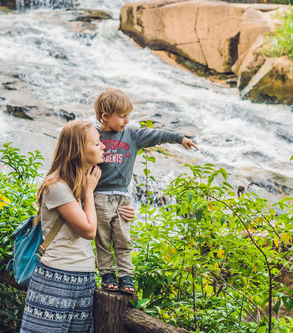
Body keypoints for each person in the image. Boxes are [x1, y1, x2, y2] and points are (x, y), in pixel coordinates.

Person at [20, 120, 135, 332]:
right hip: (55, 279)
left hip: (84, 279)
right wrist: (89, 191)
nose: (104, 146)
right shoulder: (57, 186)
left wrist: (125, 214)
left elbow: (102, 221)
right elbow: (89, 230)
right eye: (97, 143)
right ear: (79, 150)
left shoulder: (84, 182)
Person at [93, 88, 198, 294]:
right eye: (122, 116)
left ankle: (126, 276)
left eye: (128, 115)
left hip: (122, 196)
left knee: (123, 238)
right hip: (99, 196)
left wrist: (179, 138)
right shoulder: (93, 135)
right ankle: (107, 274)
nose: (127, 120)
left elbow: (156, 135)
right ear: (105, 116)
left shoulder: (132, 134)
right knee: (103, 239)